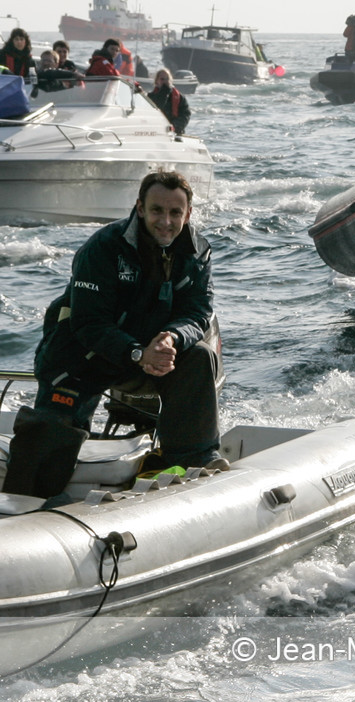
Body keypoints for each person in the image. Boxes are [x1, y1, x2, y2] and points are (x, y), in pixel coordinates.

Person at [3, 171, 225, 501]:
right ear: (139, 208)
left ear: (188, 213)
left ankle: (190, 462)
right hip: (82, 355)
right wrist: (137, 353)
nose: (165, 221)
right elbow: (88, 324)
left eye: (175, 212)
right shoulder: (103, 247)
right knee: (46, 442)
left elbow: (198, 312)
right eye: (156, 211)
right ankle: (20, 507)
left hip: (152, 354)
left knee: (199, 356)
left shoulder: (197, 251)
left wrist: (171, 339)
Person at [147, 67, 191, 135]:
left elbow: (185, 114)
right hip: (155, 131)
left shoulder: (179, 97)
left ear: (170, 80)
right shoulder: (150, 97)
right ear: (157, 81)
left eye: (167, 79)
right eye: (162, 79)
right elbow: (157, 108)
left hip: (174, 132)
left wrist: (175, 126)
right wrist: (164, 92)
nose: (165, 81)